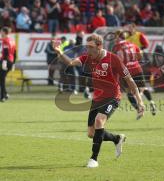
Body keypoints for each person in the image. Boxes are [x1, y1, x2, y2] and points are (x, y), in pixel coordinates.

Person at [53, 33, 145, 168]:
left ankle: (93, 159)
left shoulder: (113, 59)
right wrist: (59, 52)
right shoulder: (88, 57)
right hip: (97, 99)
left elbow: (129, 80)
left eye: (90, 47)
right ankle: (117, 138)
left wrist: (139, 100)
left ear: (99, 46)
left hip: (113, 97)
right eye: (87, 47)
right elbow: (71, 62)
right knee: (91, 133)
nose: (87, 50)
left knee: (99, 121)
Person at [112, 31, 157, 119]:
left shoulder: (117, 47)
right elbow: (140, 56)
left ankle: (139, 110)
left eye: (115, 37)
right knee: (143, 88)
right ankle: (151, 102)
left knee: (129, 92)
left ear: (118, 37)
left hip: (126, 71)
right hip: (137, 68)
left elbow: (115, 60)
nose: (114, 39)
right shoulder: (132, 44)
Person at [0, 27, 16, 102]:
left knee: (1, 79)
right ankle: (5, 94)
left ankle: (3, 96)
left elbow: (6, 52)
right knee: (1, 78)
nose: (1, 33)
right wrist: (13, 63)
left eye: (1, 32)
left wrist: (4, 62)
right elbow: (15, 52)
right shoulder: (12, 40)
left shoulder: (5, 40)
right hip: (11, 61)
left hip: (6, 61)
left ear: (4, 32)